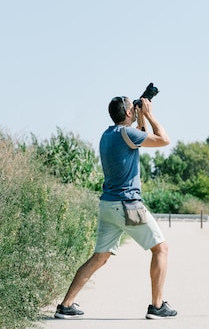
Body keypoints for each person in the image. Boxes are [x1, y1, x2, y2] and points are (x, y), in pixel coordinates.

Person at [54, 95, 177, 320]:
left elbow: (139, 135)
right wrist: (149, 114)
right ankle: (157, 306)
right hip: (128, 205)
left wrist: (139, 117)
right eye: (133, 108)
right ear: (128, 113)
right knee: (161, 249)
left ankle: (66, 305)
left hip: (108, 205)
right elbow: (163, 140)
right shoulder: (128, 134)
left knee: (99, 257)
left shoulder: (109, 135)